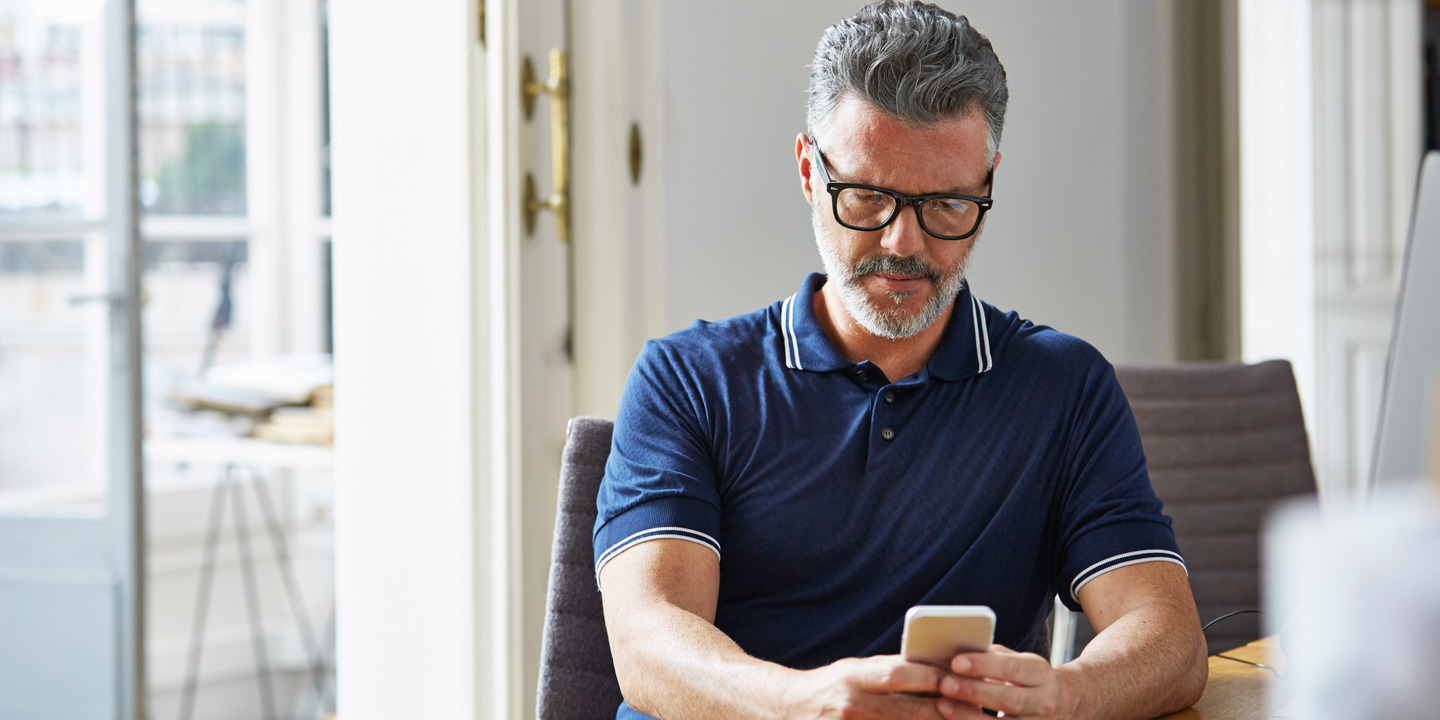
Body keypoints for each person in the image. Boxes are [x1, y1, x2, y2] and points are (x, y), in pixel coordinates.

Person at [593, 2, 1209, 718]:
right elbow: (646, 645)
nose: (905, 244)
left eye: (947, 204)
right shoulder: (687, 381)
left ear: (988, 180)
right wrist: (802, 704)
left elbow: (1171, 642)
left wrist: (1065, 695)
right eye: (866, 197)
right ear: (807, 171)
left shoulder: (1063, 388)